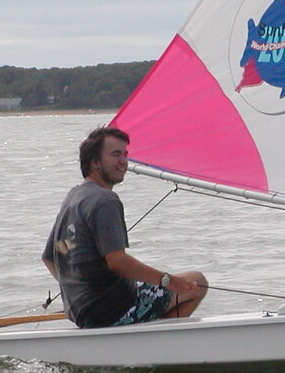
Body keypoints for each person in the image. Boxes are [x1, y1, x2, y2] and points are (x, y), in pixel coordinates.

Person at [42, 126, 207, 328]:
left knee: (158, 286)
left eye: (125, 154)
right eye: (115, 154)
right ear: (94, 162)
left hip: (81, 311)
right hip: (112, 311)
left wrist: (76, 295)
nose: (124, 161)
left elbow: (50, 256)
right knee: (197, 282)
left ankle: (145, 337)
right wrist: (167, 281)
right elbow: (117, 261)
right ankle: (153, 344)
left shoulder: (74, 196)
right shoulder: (104, 200)